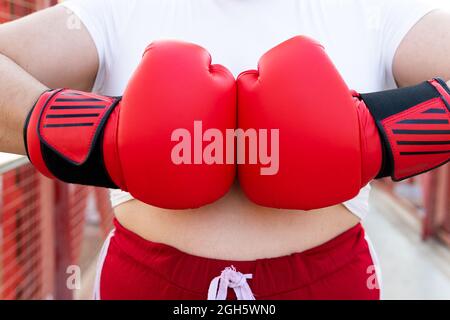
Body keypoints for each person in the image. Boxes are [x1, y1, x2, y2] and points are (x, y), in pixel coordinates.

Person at [0, 0, 449, 300]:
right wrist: (99, 138)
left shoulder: (375, 8)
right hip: (147, 281)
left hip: (328, 280)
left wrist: (377, 134)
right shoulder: (117, 6)